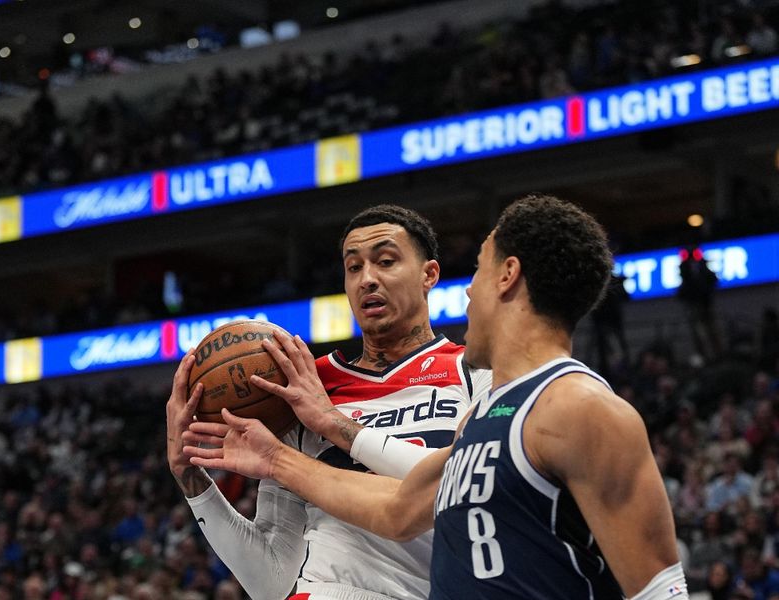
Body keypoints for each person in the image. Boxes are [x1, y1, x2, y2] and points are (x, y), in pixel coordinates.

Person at [184, 194, 688, 599]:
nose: (468, 292)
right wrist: (237, 471)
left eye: (479, 270)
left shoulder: (571, 407)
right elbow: (400, 511)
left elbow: (661, 588)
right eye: (352, 266)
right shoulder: (481, 422)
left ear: (505, 276)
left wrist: (332, 429)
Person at [166, 204, 491, 600]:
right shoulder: (301, 387)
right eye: (353, 268)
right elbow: (272, 581)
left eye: (386, 261)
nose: (367, 279)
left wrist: (334, 424)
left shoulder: (476, 374)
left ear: (429, 274)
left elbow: (466, 491)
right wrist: (191, 479)